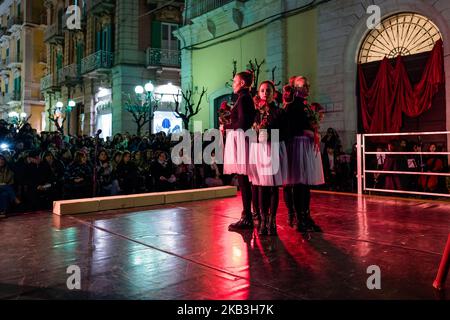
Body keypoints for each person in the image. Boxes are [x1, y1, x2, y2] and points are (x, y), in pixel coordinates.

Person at [284, 76, 324, 232]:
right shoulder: (292, 105)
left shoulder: (305, 105)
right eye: (303, 85)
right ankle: (300, 218)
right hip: (297, 146)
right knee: (299, 184)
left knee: (304, 184)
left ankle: (305, 216)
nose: (307, 87)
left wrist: (313, 131)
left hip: (305, 145)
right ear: (295, 88)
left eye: (308, 85)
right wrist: (307, 132)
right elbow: (290, 128)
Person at [248, 81, 287, 235]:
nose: (265, 93)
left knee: (273, 187)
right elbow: (252, 132)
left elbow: (285, 133)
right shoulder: (257, 113)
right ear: (259, 93)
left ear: (273, 93)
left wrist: (271, 134)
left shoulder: (279, 112)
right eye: (262, 90)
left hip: (273, 149)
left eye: (268, 90)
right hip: (260, 151)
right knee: (262, 187)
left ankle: (272, 221)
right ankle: (263, 220)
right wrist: (255, 131)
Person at [223, 70, 256, 231]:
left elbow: (243, 122)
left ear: (242, 83)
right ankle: (248, 214)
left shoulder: (243, 99)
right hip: (243, 139)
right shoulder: (245, 98)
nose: (233, 83)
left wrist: (227, 126)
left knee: (244, 180)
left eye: (235, 81)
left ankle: (247, 217)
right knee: (244, 179)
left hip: (242, 139)